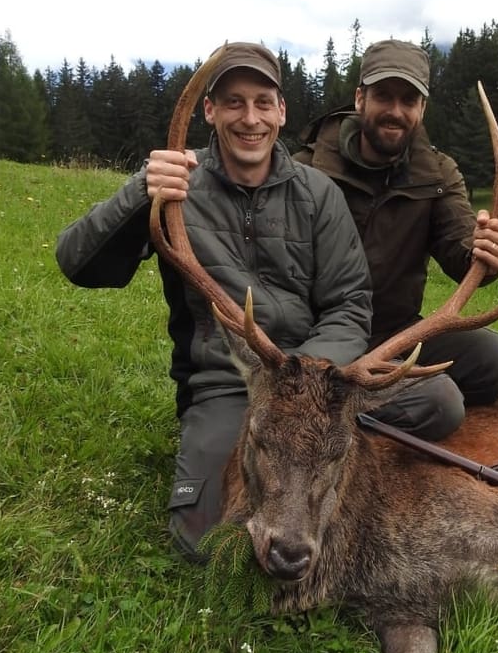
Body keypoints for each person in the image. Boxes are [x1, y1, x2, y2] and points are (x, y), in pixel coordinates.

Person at [57, 42, 372, 561]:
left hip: (317, 378)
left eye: (263, 103)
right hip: (228, 383)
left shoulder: (318, 194)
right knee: (205, 542)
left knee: (440, 405)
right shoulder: (176, 187)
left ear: (282, 112)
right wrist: (141, 191)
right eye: (233, 102)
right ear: (210, 111)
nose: (251, 118)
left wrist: (309, 378)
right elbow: (78, 264)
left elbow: (350, 303)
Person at [295, 39, 498, 440]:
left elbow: (460, 255)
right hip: (321, 338)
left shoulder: (436, 173)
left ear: (422, 108)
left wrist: (486, 254)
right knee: (441, 404)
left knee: (497, 361)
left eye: (409, 99)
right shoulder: (308, 170)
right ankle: (323, 414)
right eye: (384, 96)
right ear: (360, 98)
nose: (395, 111)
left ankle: (353, 405)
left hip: (396, 332)